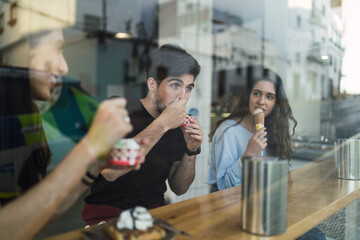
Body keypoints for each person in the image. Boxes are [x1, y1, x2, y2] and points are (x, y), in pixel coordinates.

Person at [0, 29, 145, 240]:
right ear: (22, 51)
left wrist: (95, 164)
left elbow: (35, 214)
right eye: (58, 48)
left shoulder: (29, 115)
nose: (64, 67)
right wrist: (90, 147)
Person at [82, 44, 204, 226]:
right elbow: (110, 172)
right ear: (152, 84)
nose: (183, 97)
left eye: (188, 88)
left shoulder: (178, 127)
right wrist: (162, 124)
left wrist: (191, 150)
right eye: (175, 85)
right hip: (107, 216)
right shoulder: (117, 107)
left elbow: (180, 188)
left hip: (154, 215)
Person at [207, 66, 297, 192]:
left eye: (269, 97)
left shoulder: (274, 131)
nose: (261, 101)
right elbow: (224, 187)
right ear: (248, 96)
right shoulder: (228, 131)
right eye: (256, 94)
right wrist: (248, 154)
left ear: (276, 103)